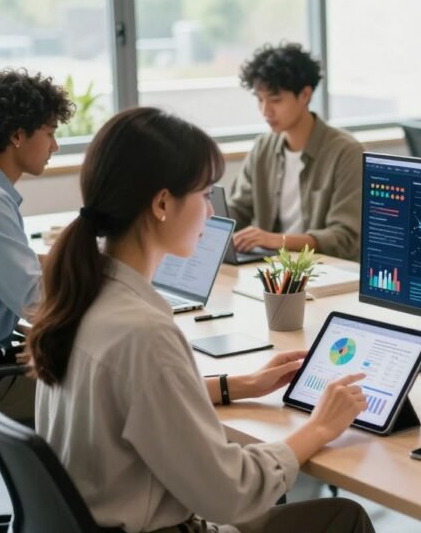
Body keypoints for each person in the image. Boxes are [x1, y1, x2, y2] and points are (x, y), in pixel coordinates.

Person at [28, 107, 374, 533]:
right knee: (343, 518)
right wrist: (320, 427)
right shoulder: (143, 333)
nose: (211, 213)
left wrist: (238, 385)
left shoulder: (82, 294)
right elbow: (232, 493)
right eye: (205, 194)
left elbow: (134, 400)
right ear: (162, 203)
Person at [228, 43, 362, 260]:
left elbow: (345, 238)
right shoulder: (263, 147)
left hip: (326, 271)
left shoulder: (347, 153)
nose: (265, 110)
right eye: (260, 100)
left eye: (275, 100)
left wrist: (276, 240)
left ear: (305, 95)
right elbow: (238, 209)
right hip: (272, 269)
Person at [0, 68, 73, 425]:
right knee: (107, 391)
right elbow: (38, 304)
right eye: (50, 133)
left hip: (2, 358)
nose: (55, 146)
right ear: (17, 134)